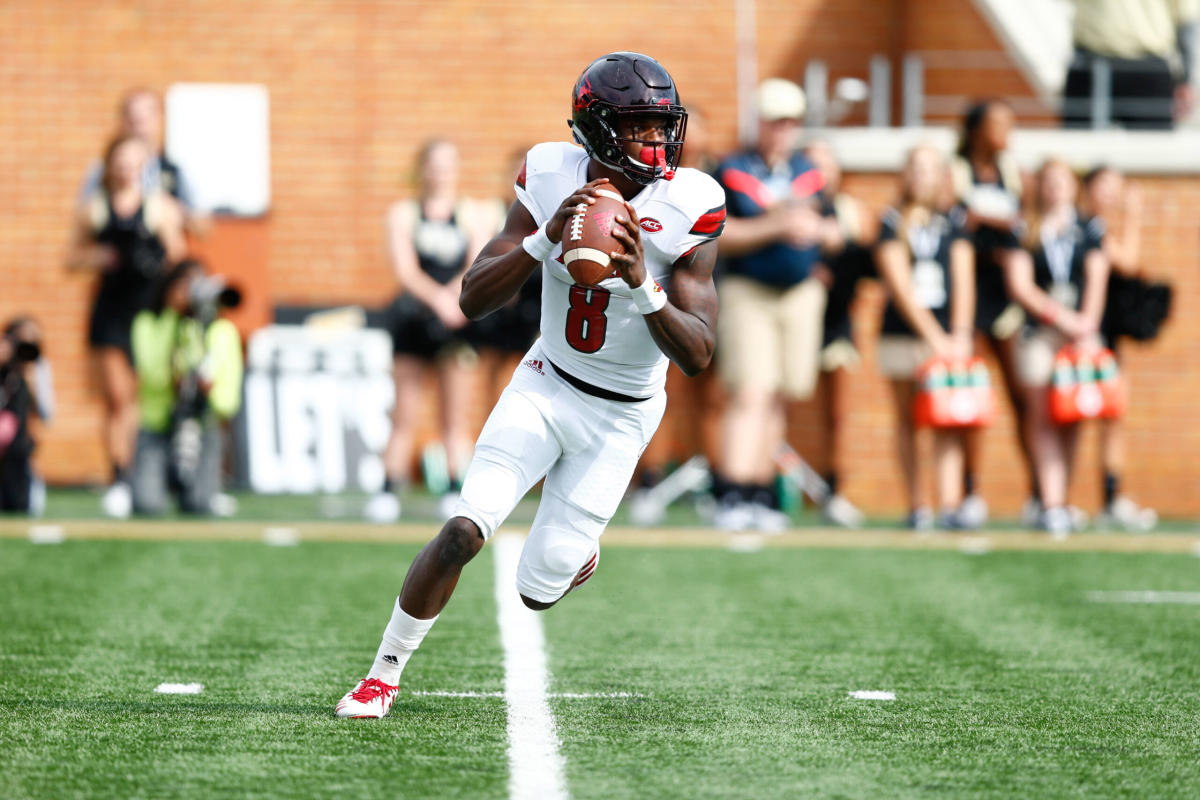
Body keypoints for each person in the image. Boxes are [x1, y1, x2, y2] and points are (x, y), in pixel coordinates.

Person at [335, 51, 723, 719]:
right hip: (547, 381)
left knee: (536, 589)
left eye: (662, 126)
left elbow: (700, 353)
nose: (657, 142)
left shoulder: (691, 201)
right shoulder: (549, 173)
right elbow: (472, 299)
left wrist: (642, 284)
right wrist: (545, 239)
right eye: (638, 127)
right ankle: (382, 675)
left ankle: (576, 553)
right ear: (597, 128)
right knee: (463, 528)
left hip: (623, 414)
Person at [711, 78, 837, 531]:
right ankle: (731, 489)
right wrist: (780, 225)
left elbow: (836, 229)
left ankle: (761, 493)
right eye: (775, 121)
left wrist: (817, 233)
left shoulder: (809, 170)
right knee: (750, 391)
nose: (783, 130)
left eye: (790, 122)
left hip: (799, 292)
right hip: (751, 291)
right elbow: (719, 235)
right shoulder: (731, 168)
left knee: (780, 394)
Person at [365, 139, 495, 524]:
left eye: (448, 164)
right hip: (415, 320)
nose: (441, 172)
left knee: (454, 415)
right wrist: (437, 300)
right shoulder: (404, 214)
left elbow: (477, 261)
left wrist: (453, 299)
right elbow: (405, 270)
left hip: (456, 322)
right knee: (404, 410)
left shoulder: (474, 213)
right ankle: (389, 486)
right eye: (434, 164)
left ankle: (457, 488)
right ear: (421, 169)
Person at [67, 134, 187, 519]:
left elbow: (179, 259)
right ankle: (119, 475)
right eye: (120, 161)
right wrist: (95, 256)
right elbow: (70, 257)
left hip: (148, 315)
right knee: (118, 397)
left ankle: (149, 472)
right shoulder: (94, 209)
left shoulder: (161, 209)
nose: (126, 168)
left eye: (134, 161)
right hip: (111, 312)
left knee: (143, 398)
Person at [1003, 159, 1109, 535]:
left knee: (1073, 415)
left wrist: (1085, 325)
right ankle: (1049, 501)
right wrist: (1061, 317)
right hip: (1041, 332)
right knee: (1042, 414)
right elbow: (1020, 284)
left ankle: (1063, 498)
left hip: (1082, 332)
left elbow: (1097, 276)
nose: (1054, 189)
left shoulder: (1088, 227)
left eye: (1061, 182)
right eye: (1048, 182)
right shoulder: (1025, 227)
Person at [874, 146, 975, 529]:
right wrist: (934, 337)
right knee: (907, 420)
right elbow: (899, 284)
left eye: (929, 169)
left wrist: (960, 334)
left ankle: (950, 504)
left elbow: (964, 279)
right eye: (915, 168)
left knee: (948, 420)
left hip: (950, 334)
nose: (921, 176)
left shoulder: (953, 219)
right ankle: (918, 505)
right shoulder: (891, 220)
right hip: (904, 334)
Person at [950, 99, 1029, 528]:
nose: (1006, 131)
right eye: (999, 123)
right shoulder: (956, 169)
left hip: (1006, 297)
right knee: (972, 397)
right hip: (969, 295)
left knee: (1023, 397)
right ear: (978, 129)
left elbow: (1024, 222)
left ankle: (1037, 494)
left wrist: (995, 222)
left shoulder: (1012, 172)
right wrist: (1001, 223)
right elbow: (959, 217)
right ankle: (971, 492)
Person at [130, 260, 243, 515]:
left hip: (201, 427)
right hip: (159, 425)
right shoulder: (148, 323)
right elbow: (153, 376)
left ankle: (200, 487)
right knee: (148, 506)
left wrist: (208, 392)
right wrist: (174, 317)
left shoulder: (222, 331)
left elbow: (228, 399)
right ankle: (144, 482)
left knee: (200, 506)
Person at [1080, 166, 1158, 531]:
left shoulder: (1099, 229)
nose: (1111, 194)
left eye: (1117, 187)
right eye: (1104, 186)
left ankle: (1111, 498)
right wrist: (1134, 215)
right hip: (1081, 332)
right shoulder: (1085, 228)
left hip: (1108, 331)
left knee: (1114, 415)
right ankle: (1053, 498)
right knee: (1072, 414)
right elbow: (1127, 260)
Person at [805, 139, 871, 528]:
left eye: (826, 166)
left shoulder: (851, 213)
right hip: (795, 316)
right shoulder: (787, 205)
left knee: (838, 413)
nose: (820, 174)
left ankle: (836, 489)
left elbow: (862, 266)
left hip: (835, 320)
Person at [79, 88, 206, 232]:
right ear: (123, 121)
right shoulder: (102, 169)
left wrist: (175, 211)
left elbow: (203, 227)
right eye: (133, 120)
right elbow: (81, 220)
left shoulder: (172, 170)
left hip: (158, 252)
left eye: (145, 119)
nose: (140, 128)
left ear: (159, 119)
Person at [1063, 0, 1199, 129]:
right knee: (1080, 147)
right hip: (1091, 67)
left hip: (1148, 71)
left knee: (1153, 149)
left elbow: (1185, 20)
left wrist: (1186, 80)